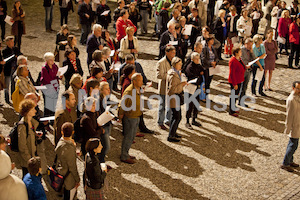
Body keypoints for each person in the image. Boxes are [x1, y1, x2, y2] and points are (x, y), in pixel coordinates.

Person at [118, 73, 143, 164]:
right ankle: (124, 156)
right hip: (130, 117)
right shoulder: (129, 91)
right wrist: (120, 115)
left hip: (136, 115)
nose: (142, 82)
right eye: (140, 80)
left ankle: (126, 153)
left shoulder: (138, 89)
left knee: (132, 136)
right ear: (134, 81)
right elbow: (122, 104)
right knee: (128, 137)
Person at [55, 122, 80, 200]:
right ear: (72, 132)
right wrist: (77, 179)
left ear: (62, 132)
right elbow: (72, 167)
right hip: (68, 177)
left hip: (61, 171)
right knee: (68, 195)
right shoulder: (69, 148)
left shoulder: (60, 142)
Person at [281, 81, 300, 172]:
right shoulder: (291, 100)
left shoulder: (297, 97)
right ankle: (285, 163)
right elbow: (289, 116)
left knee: (293, 144)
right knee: (293, 145)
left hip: (298, 124)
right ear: (293, 88)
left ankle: (290, 160)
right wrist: (288, 129)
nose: (299, 90)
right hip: (294, 125)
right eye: (298, 88)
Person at [166, 57, 187, 142]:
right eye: (179, 64)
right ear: (175, 65)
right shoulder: (173, 75)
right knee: (177, 117)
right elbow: (172, 89)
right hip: (174, 97)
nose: (181, 65)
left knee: (175, 116)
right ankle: (171, 135)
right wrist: (182, 84)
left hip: (176, 97)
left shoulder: (177, 73)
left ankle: (173, 133)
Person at [18, 99, 39, 178]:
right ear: (28, 111)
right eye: (33, 109)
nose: (35, 111)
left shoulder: (32, 122)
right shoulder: (22, 126)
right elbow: (22, 146)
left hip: (33, 157)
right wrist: (30, 161)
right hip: (28, 162)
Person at [156, 45, 176, 130]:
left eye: (174, 52)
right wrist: (170, 75)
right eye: (172, 52)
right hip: (164, 87)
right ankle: (160, 121)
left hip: (172, 87)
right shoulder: (161, 62)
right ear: (167, 52)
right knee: (162, 105)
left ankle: (168, 119)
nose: (173, 54)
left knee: (171, 104)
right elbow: (159, 75)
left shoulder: (175, 61)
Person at [240, 38, 262, 107]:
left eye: (251, 45)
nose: (250, 46)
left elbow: (254, 58)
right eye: (249, 45)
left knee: (245, 86)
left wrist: (260, 66)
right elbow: (241, 59)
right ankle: (239, 100)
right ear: (245, 44)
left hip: (248, 70)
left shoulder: (250, 51)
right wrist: (245, 65)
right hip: (242, 70)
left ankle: (242, 100)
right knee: (241, 86)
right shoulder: (241, 50)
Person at [184, 52, 204, 129]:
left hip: (197, 88)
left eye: (198, 59)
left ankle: (194, 119)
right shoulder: (190, 67)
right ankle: (187, 121)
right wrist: (199, 75)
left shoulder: (199, 66)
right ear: (192, 59)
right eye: (196, 59)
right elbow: (192, 77)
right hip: (191, 88)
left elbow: (202, 73)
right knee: (190, 105)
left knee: (196, 104)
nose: (198, 60)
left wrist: (199, 75)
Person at [40, 52, 60, 117]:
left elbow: (56, 76)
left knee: (53, 105)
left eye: (53, 59)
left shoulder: (55, 66)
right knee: (48, 106)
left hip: (55, 88)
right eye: (51, 60)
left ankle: (52, 119)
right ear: (47, 60)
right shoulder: (44, 68)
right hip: (48, 89)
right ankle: (46, 121)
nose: (52, 61)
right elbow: (47, 79)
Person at [3, 36, 21, 104]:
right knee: (7, 85)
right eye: (11, 42)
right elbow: (5, 60)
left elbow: (20, 54)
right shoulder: (4, 51)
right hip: (8, 69)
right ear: (7, 43)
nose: (13, 43)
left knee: (14, 84)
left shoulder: (16, 49)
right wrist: (14, 57)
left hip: (15, 69)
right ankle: (6, 99)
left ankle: (13, 98)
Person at [228, 47, 246, 117]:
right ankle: (231, 111)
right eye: (240, 52)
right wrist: (234, 84)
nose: (241, 53)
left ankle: (233, 108)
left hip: (239, 80)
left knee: (235, 96)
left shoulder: (239, 59)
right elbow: (232, 73)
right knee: (233, 96)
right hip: (234, 81)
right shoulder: (233, 61)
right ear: (236, 53)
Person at [98, 82, 112, 164]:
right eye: (106, 89)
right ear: (101, 90)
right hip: (103, 125)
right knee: (106, 146)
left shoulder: (107, 98)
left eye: (109, 88)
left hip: (108, 123)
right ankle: (101, 162)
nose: (109, 90)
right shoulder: (99, 101)